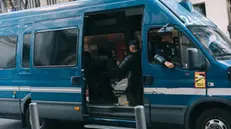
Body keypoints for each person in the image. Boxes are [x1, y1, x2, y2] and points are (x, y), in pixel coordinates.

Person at [113, 40, 142, 106]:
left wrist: (117, 64)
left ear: (131, 48)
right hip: (142, 80)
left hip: (133, 81)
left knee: (134, 100)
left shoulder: (130, 57)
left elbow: (120, 69)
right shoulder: (143, 56)